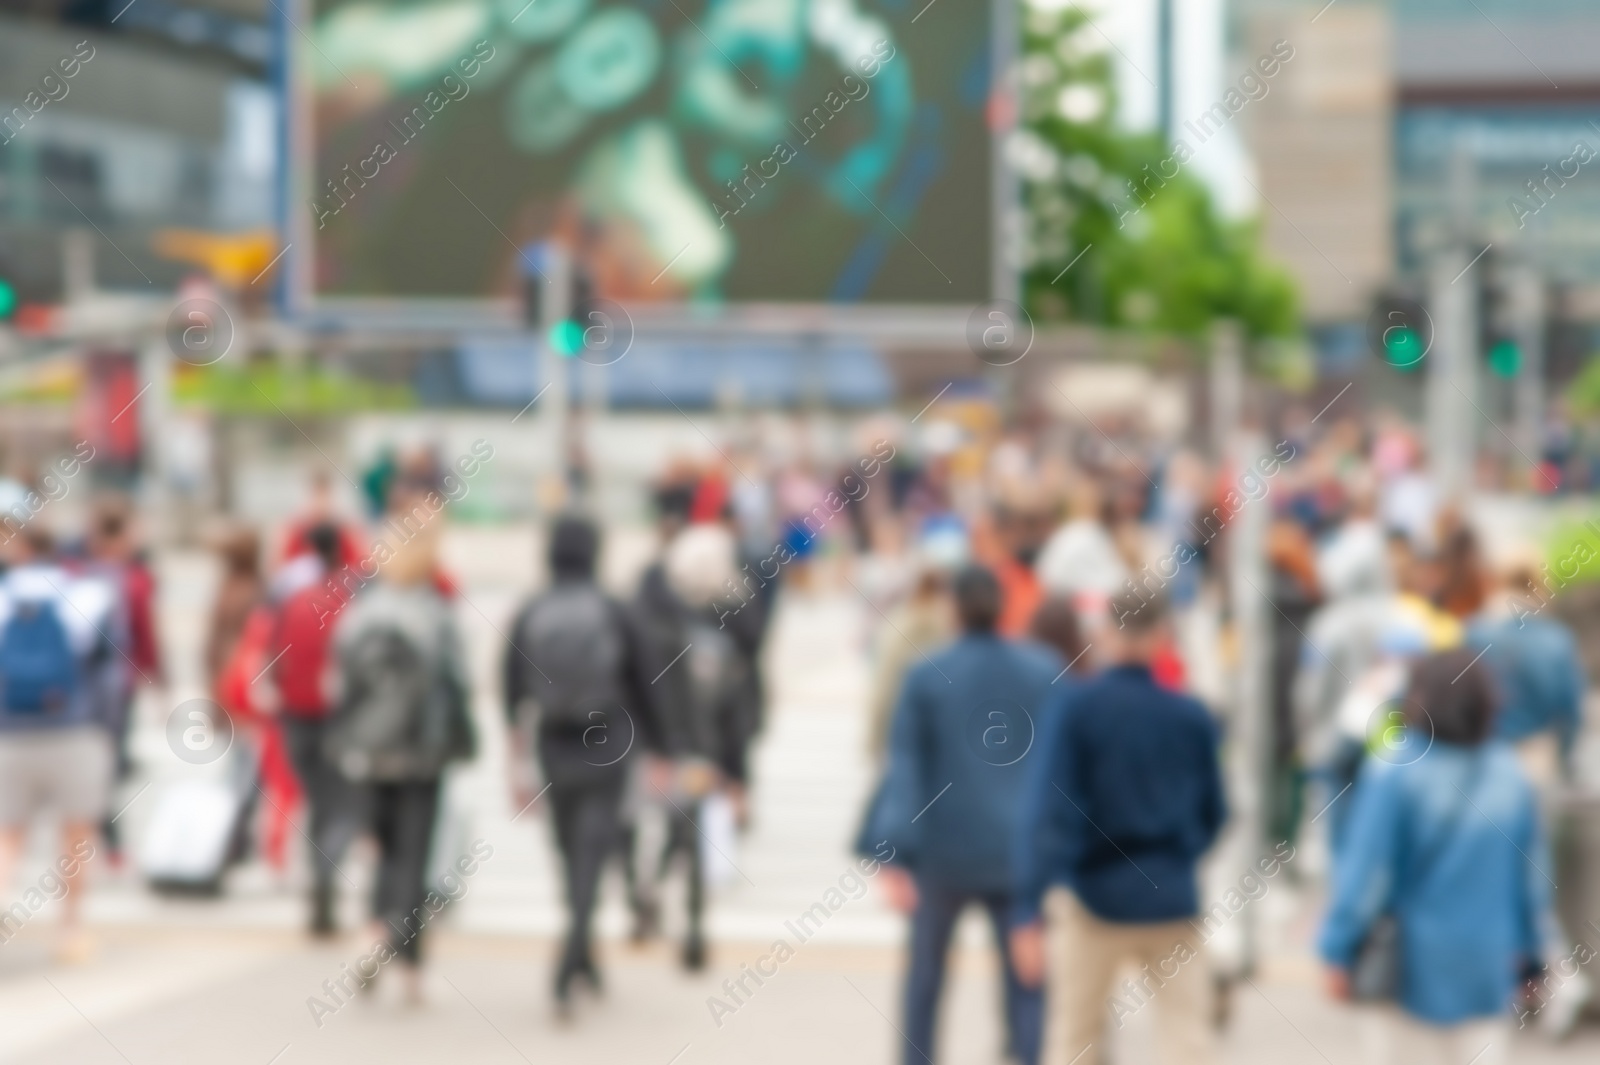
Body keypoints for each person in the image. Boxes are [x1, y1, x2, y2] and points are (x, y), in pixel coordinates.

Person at [1010, 591, 1226, 1065]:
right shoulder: (1191, 716)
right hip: (1170, 893)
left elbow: (1049, 812)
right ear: (1162, 637)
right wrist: (1179, 853)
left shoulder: (1076, 709)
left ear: (1104, 634)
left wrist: (1029, 904)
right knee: (1187, 1039)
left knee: (1075, 1038)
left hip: (1092, 894)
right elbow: (1215, 812)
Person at [863, 565, 1060, 1065]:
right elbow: (1059, 768)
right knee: (1025, 974)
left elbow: (906, 768)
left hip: (942, 849)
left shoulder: (927, 675)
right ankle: (1025, 1053)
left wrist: (894, 850)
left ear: (952, 608)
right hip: (1017, 850)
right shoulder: (1042, 671)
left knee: (926, 979)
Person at [1318, 649, 1553, 1065]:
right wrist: (1534, 958)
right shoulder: (1511, 776)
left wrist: (1339, 949)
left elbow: (1368, 875)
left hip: (1410, 969)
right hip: (1487, 968)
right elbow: (1532, 882)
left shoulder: (1396, 768)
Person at [504, 514, 660, 1015]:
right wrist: (661, 747)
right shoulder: (615, 609)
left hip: (554, 743)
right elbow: (645, 682)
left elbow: (510, 689)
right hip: (608, 739)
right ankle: (573, 961)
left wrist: (515, 760)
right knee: (594, 848)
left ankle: (580, 954)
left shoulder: (532, 609)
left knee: (570, 849)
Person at [326, 524, 475, 1003]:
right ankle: (410, 964)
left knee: (382, 848)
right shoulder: (436, 613)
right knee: (415, 853)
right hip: (422, 751)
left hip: (370, 750)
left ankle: (373, 929)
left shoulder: (363, 613)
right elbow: (457, 683)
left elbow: (340, 683)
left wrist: (348, 736)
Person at [0, 528, 120, 962]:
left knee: (8, 834)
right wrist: (108, 731)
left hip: (10, 731)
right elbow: (112, 674)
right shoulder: (90, 596)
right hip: (75, 730)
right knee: (75, 836)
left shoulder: (5, 597)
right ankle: (69, 930)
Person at [270, 522, 362, 936]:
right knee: (342, 807)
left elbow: (273, 655)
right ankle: (326, 877)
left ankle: (318, 887)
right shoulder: (349, 601)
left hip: (296, 717)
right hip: (337, 718)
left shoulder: (292, 599)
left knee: (317, 806)